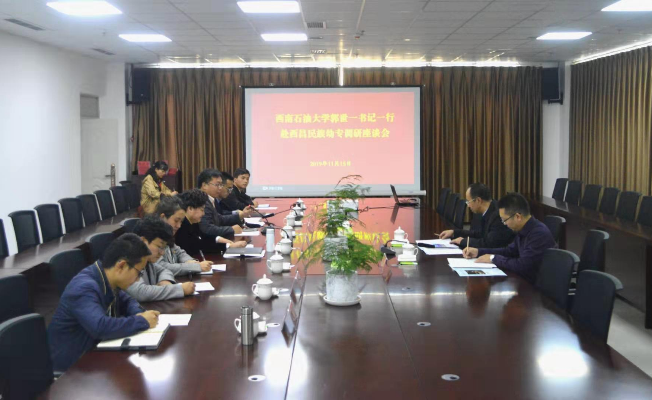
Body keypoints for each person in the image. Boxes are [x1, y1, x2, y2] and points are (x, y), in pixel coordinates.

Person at [47, 233, 159, 371]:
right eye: (139, 272)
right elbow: (100, 327)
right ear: (121, 266)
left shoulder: (106, 277)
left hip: (96, 357)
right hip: (72, 369)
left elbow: (127, 301)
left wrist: (139, 313)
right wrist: (142, 321)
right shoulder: (84, 287)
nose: (138, 279)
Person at [463, 193, 557, 284]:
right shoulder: (523, 228)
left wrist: (494, 258)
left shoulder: (538, 234)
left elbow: (523, 265)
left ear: (518, 217)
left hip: (537, 288)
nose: (504, 224)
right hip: (525, 281)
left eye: (504, 220)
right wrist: (478, 251)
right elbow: (509, 251)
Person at [126, 216, 196, 301]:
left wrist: (165, 280)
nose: (162, 253)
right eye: (159, 246)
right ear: (143, 241)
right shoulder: (128, 261)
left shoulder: (147, 260)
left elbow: (164, 270)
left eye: (163, 248)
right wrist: (179, 289)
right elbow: (140, 292)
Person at [438, 183, 514, 248]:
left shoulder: (498, 215)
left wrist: (463, 241)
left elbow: (489, 244)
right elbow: (479, 234)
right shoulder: (487, 210)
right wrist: (454, 232)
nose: (468, 206)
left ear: (478, 200)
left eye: (468, 202)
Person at [155, 196, 212, 276]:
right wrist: (195, 267)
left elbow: (180, 253)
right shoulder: (152, 237)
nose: (179, 226)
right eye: (176, 221)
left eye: (181, 222)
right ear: (162, 217)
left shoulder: (167, 235)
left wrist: (191, 262)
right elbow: (161, 267)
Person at [197, 169, 248, 252]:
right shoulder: (201, 202)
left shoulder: (210, 199)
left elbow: (219, 218)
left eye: (221, 185)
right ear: (204, 185)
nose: (220, 188)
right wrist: (231, 229)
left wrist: (239, 216)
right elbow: (207, 228)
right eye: (217, 185)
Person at [175, 189, 209, 256]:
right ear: (190, 208)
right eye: (202, 210)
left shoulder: (194, 223)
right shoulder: (181, 227)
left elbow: (202, 241)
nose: (203, 214)